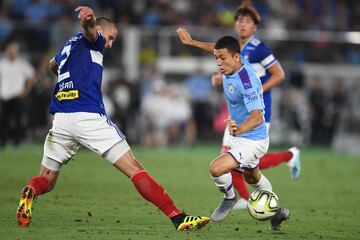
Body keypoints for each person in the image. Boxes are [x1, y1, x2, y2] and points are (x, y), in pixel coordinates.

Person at [16, 6, 210, 231]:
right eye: (110, 38)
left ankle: (30, 190)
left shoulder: (69, 45)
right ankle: (178, 217)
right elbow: (91, 31)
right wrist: (88, 20)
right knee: (134, 167)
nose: (109, 44)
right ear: (100, 30)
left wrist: (68, 81)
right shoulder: (94, 40)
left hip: (61, 119)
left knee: (46, 179)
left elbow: (52, 65)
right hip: (88, 116)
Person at [176, 1, 301, 209]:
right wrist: (192, 43)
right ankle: (265, 203)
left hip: (256, 113)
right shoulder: (234, 50)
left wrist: (257, 90)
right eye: (239, 20)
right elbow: (217, 51)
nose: (242, 24)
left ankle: (242, 196)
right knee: (249, 171)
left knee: (237, 163)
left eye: (248, 21)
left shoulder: (259, 48)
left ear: (255, 26)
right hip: (240, 116)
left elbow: (279, 74)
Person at [209, 35, 289, 230]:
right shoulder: (234, 62)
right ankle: (277, 213)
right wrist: (191, 42)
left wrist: (240, 129)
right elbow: (217, 48)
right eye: (216, 58)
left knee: (216, 168)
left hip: (253, 140)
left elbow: (258, 117)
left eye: (222, 58)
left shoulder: (247, 82)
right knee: (251, 176)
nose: (219, 63)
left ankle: (230, 198)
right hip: (243, 138)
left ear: (237, 58)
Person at [0, 41, 36, 148]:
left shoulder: (22, 64)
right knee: (3, 120)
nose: (10, 53)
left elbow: (33, 76)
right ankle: (3, 142)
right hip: (4, 95)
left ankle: (17, 142)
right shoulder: (2, 63)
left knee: (17, 120)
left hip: (17, 95)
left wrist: (26, 90)